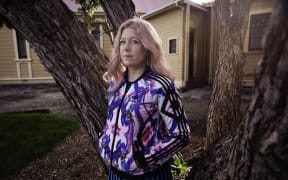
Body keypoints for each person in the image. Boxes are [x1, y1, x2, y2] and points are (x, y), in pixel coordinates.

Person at [98, 17, 190, 180]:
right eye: (122, 42)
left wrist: (144, 159)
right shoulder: (116, 81)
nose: (126, 48)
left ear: (148, 47)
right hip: (115, 173)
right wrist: (103, 139)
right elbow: (113, 120)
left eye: (134, 42)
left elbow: (181, 134)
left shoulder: (160, 86)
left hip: (148, 176)